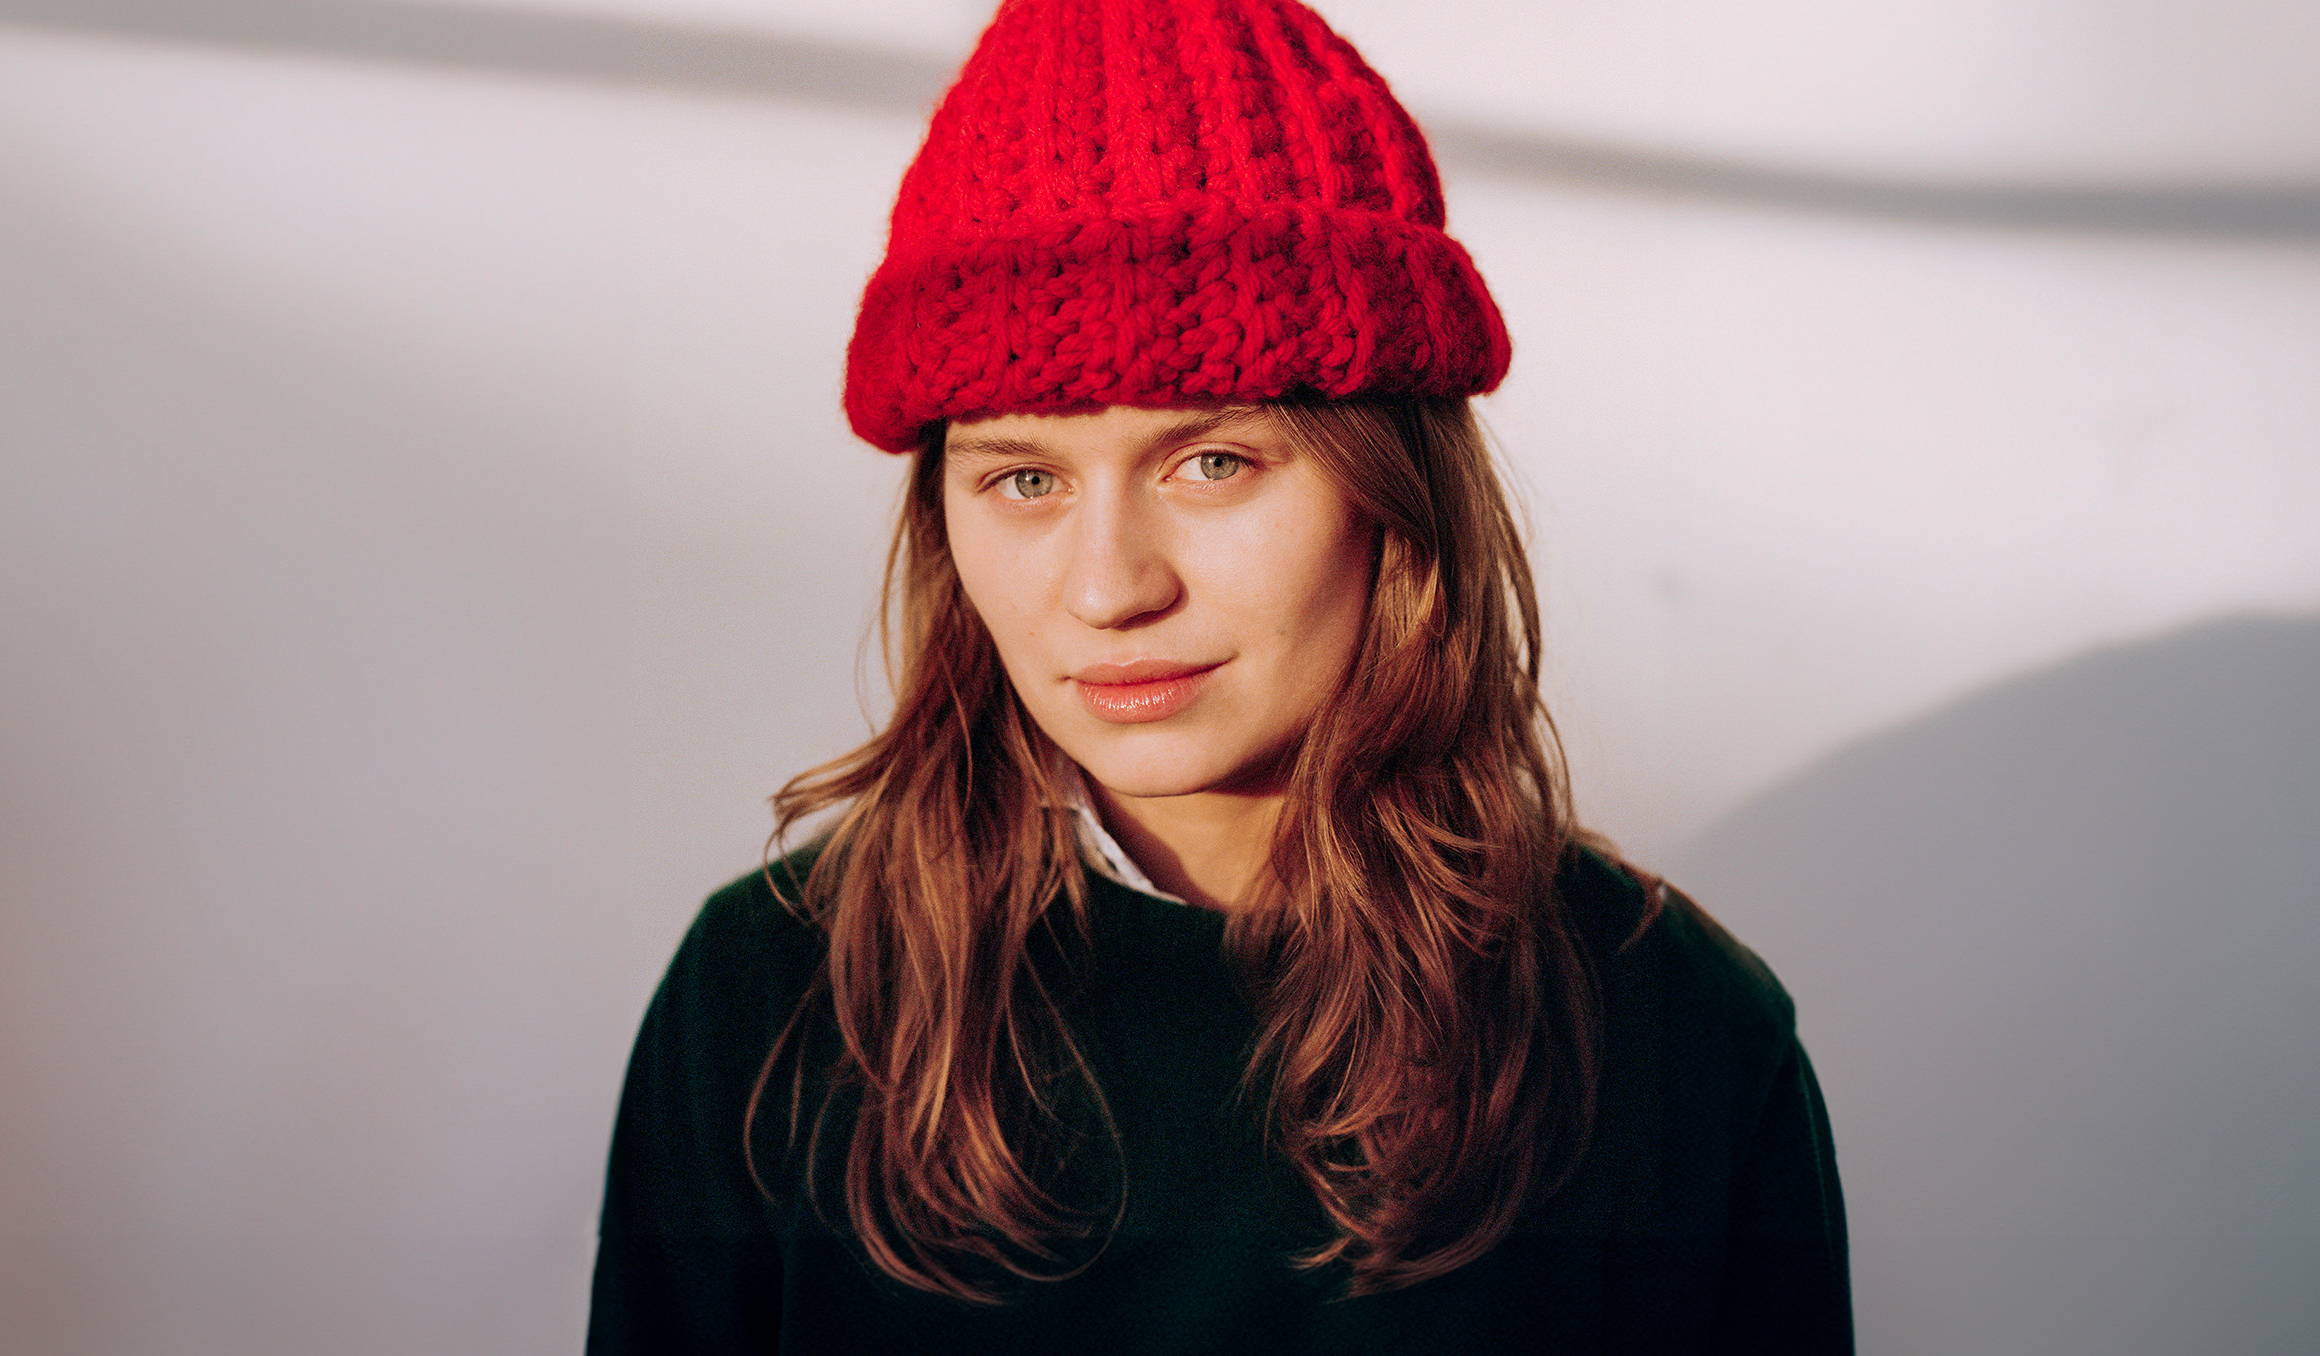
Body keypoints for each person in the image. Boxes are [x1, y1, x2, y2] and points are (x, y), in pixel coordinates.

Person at [588, 0, 1851, 1351]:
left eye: (1213, 463)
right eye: (1023, 478)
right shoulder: (775, 994)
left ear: (1395, 493)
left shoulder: (1670, 1034)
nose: (1108, 587)